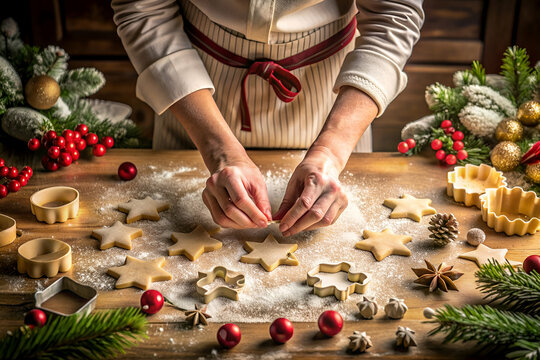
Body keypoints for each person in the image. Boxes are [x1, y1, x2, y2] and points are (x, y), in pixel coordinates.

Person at [112, 0, 424, 236]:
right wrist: (219, 150)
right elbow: (143, 9)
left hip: (331, 98)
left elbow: (394, 14)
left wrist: (331, 150)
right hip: (191, 87)